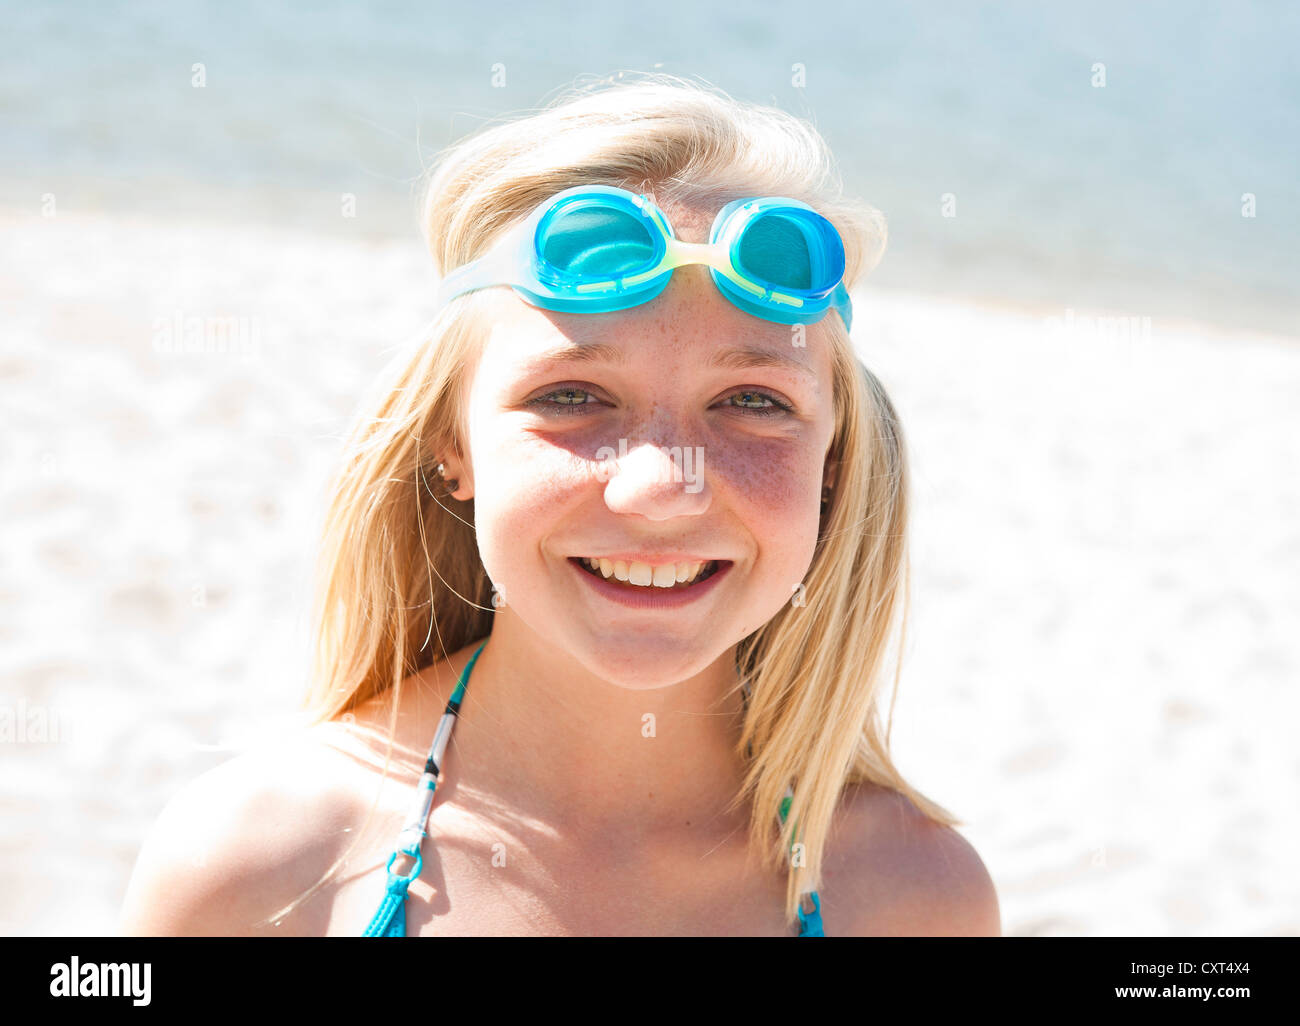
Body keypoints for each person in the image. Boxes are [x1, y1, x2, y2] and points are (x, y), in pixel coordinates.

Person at [119, 73, 1000, 937]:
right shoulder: (263, 873)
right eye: (575, 395)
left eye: (753, 402)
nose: (660, 488)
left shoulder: (914, 899)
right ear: (452, 443)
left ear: (835, 462)